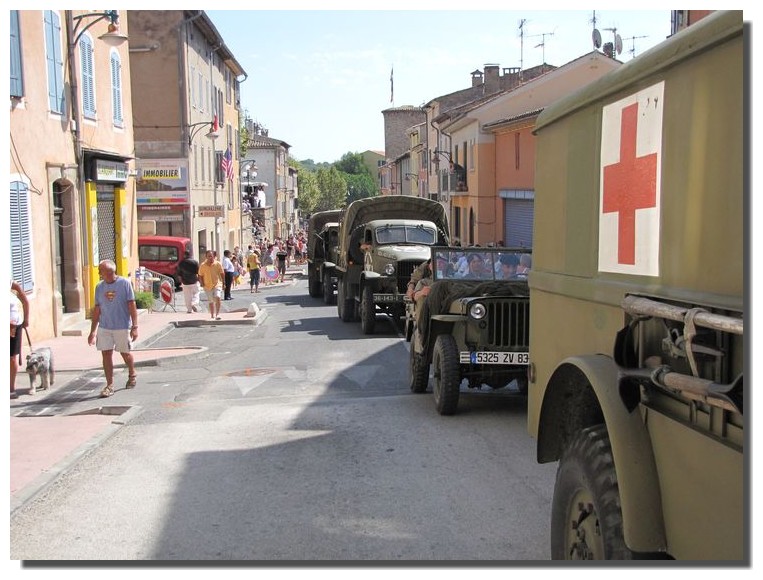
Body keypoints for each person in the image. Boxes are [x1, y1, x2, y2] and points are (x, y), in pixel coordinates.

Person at [87, 260, 139, 398]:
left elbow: (132, 305)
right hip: (105, 326)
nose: (99, 273)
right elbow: (97, 309)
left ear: (109, 272)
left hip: (122, 326)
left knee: (125, 353)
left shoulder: (124, 284)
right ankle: (109, 385)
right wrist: (93, 331)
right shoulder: (99, 287)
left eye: (101, 271)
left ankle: (132, 373)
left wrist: (134, 326)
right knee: (106, 354)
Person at [10, 279, 30, 399]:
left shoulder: (12, 284)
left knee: (12, 357)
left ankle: (11, 388)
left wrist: (26, 319)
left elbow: (25, 300)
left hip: (13, 325)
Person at [198, 250, 224, 320]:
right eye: (209, 256)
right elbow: (200, 275)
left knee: (218, 297)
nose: (210, 258)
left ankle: (217, 314)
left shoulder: (218, 264)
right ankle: (212, 315)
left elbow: (222, 273)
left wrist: (224, 283)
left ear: (214, 256)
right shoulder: (203, 265)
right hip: (207, 285)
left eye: (211, 256)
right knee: (211, 301)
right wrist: (202, 283)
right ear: (206, 257)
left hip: (217, 284)